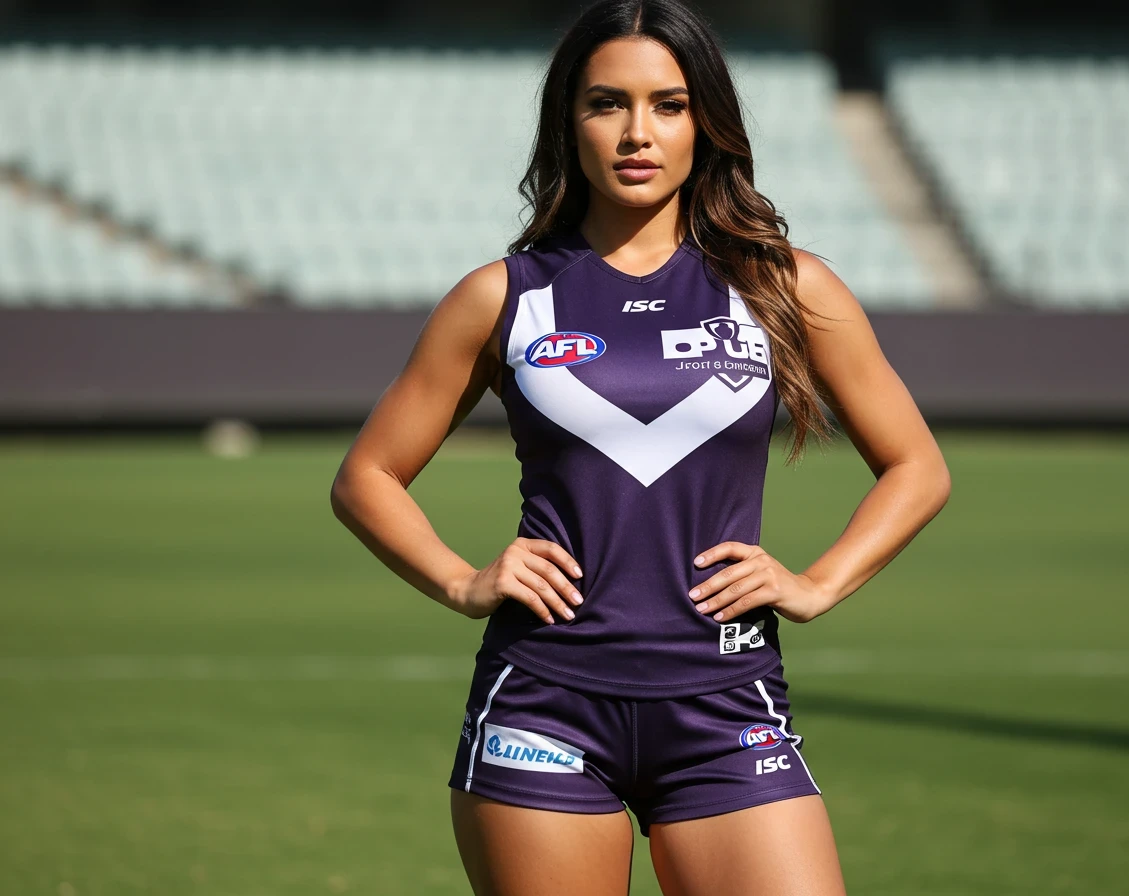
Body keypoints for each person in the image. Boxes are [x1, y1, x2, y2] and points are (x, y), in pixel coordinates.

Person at [329, 1, 951, 893]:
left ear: (708, 122)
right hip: (544, 704)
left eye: (668, 104)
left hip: (728, 704)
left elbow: (918, 467)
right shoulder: (502, 296)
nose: (636, 132)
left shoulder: (785, 285)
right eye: (605, 104)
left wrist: (815, 584)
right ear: (567, 123)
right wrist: (463, 580)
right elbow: (367, 476)